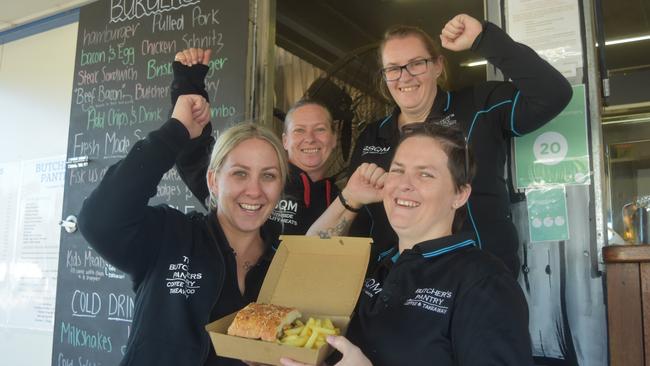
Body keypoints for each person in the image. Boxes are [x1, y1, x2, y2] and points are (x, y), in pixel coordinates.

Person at [282, 123, 532, 366]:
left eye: (425, 174)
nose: (404, 184)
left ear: (459, 195)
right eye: (398, 170)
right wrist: (351, 197)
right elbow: (309, 260)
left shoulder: (484, 282)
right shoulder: (376, 265)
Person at [347, 14, 572, 277]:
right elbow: (362, 221)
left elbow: (553, 94)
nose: (404, 77)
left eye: (416, 63)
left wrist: (484, 39)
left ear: (438, 66)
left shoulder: (479, 106)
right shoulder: (372, 136)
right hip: (395, 285)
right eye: (393, 68)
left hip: (477, 281)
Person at [77, 94, 289, 365]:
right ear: (213, 181)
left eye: (268, 175)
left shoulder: (286, 264)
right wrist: (175, 132)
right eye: (240, 173)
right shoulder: (170, 236)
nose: (255, 190)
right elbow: (98, 220)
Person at [172, 48, 339, 237]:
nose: (309, 138)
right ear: (285, 140)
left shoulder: (342, 199)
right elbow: (193, 156)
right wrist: (188, 84)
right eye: (299, 130)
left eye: (320, 129)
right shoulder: (247, 182)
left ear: (334, 139)